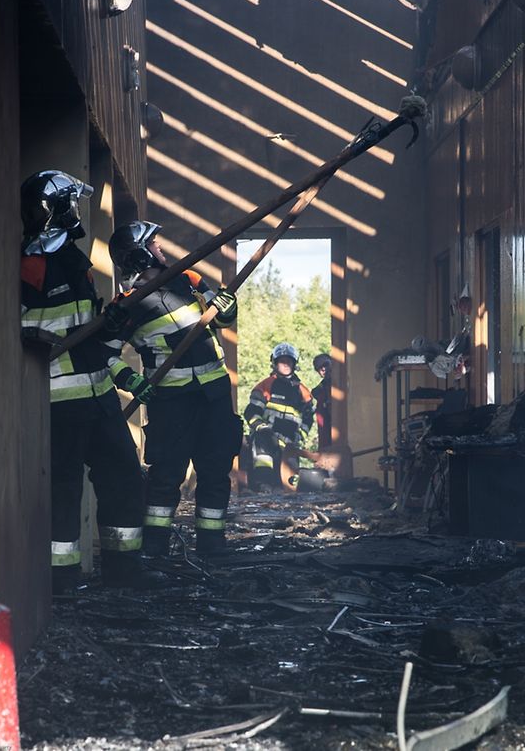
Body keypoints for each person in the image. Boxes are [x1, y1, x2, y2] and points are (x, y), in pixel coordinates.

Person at [20, 171, 166, 593]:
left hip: (99, 396)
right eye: (71, 203)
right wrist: (62, 339)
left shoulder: (73, 257)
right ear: (56, 208)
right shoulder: (31, 265)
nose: (77, 211)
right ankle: (61, 580)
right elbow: (29, 330)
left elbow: (90, 336)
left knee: (123, 477)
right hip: (60, 400)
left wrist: (110, 324)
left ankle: (124, 573)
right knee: (63, 489)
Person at [106, 220, 244, 557]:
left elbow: (222, 320)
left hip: (213, 395)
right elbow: (105, 356)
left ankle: (212, 548)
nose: (160, 248)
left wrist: (229, 308)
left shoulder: (189, 278)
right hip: (171, 402)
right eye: (153, 244)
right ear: (139, 254)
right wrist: (131, 381)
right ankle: (155, 552)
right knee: (166, 478)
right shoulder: (123, 306)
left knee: (214, 472)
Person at [244, 343, 315, 489]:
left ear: (294, 364)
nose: (285, 364)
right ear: (275, 363)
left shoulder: (303, 391)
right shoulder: (265, 386)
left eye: (289, 361)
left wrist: (299, 436)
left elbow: (308, 418)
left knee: (291, 483)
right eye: (282, 361)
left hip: (290, 443)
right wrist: (262, 429)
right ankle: (262, 489)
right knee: (263, 463)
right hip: (266, 438)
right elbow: (251, 412)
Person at [312, 353, 332, 449]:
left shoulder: (345, 383)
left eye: (325, 365)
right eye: (319, 368)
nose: (323, 369)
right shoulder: (319, 393)